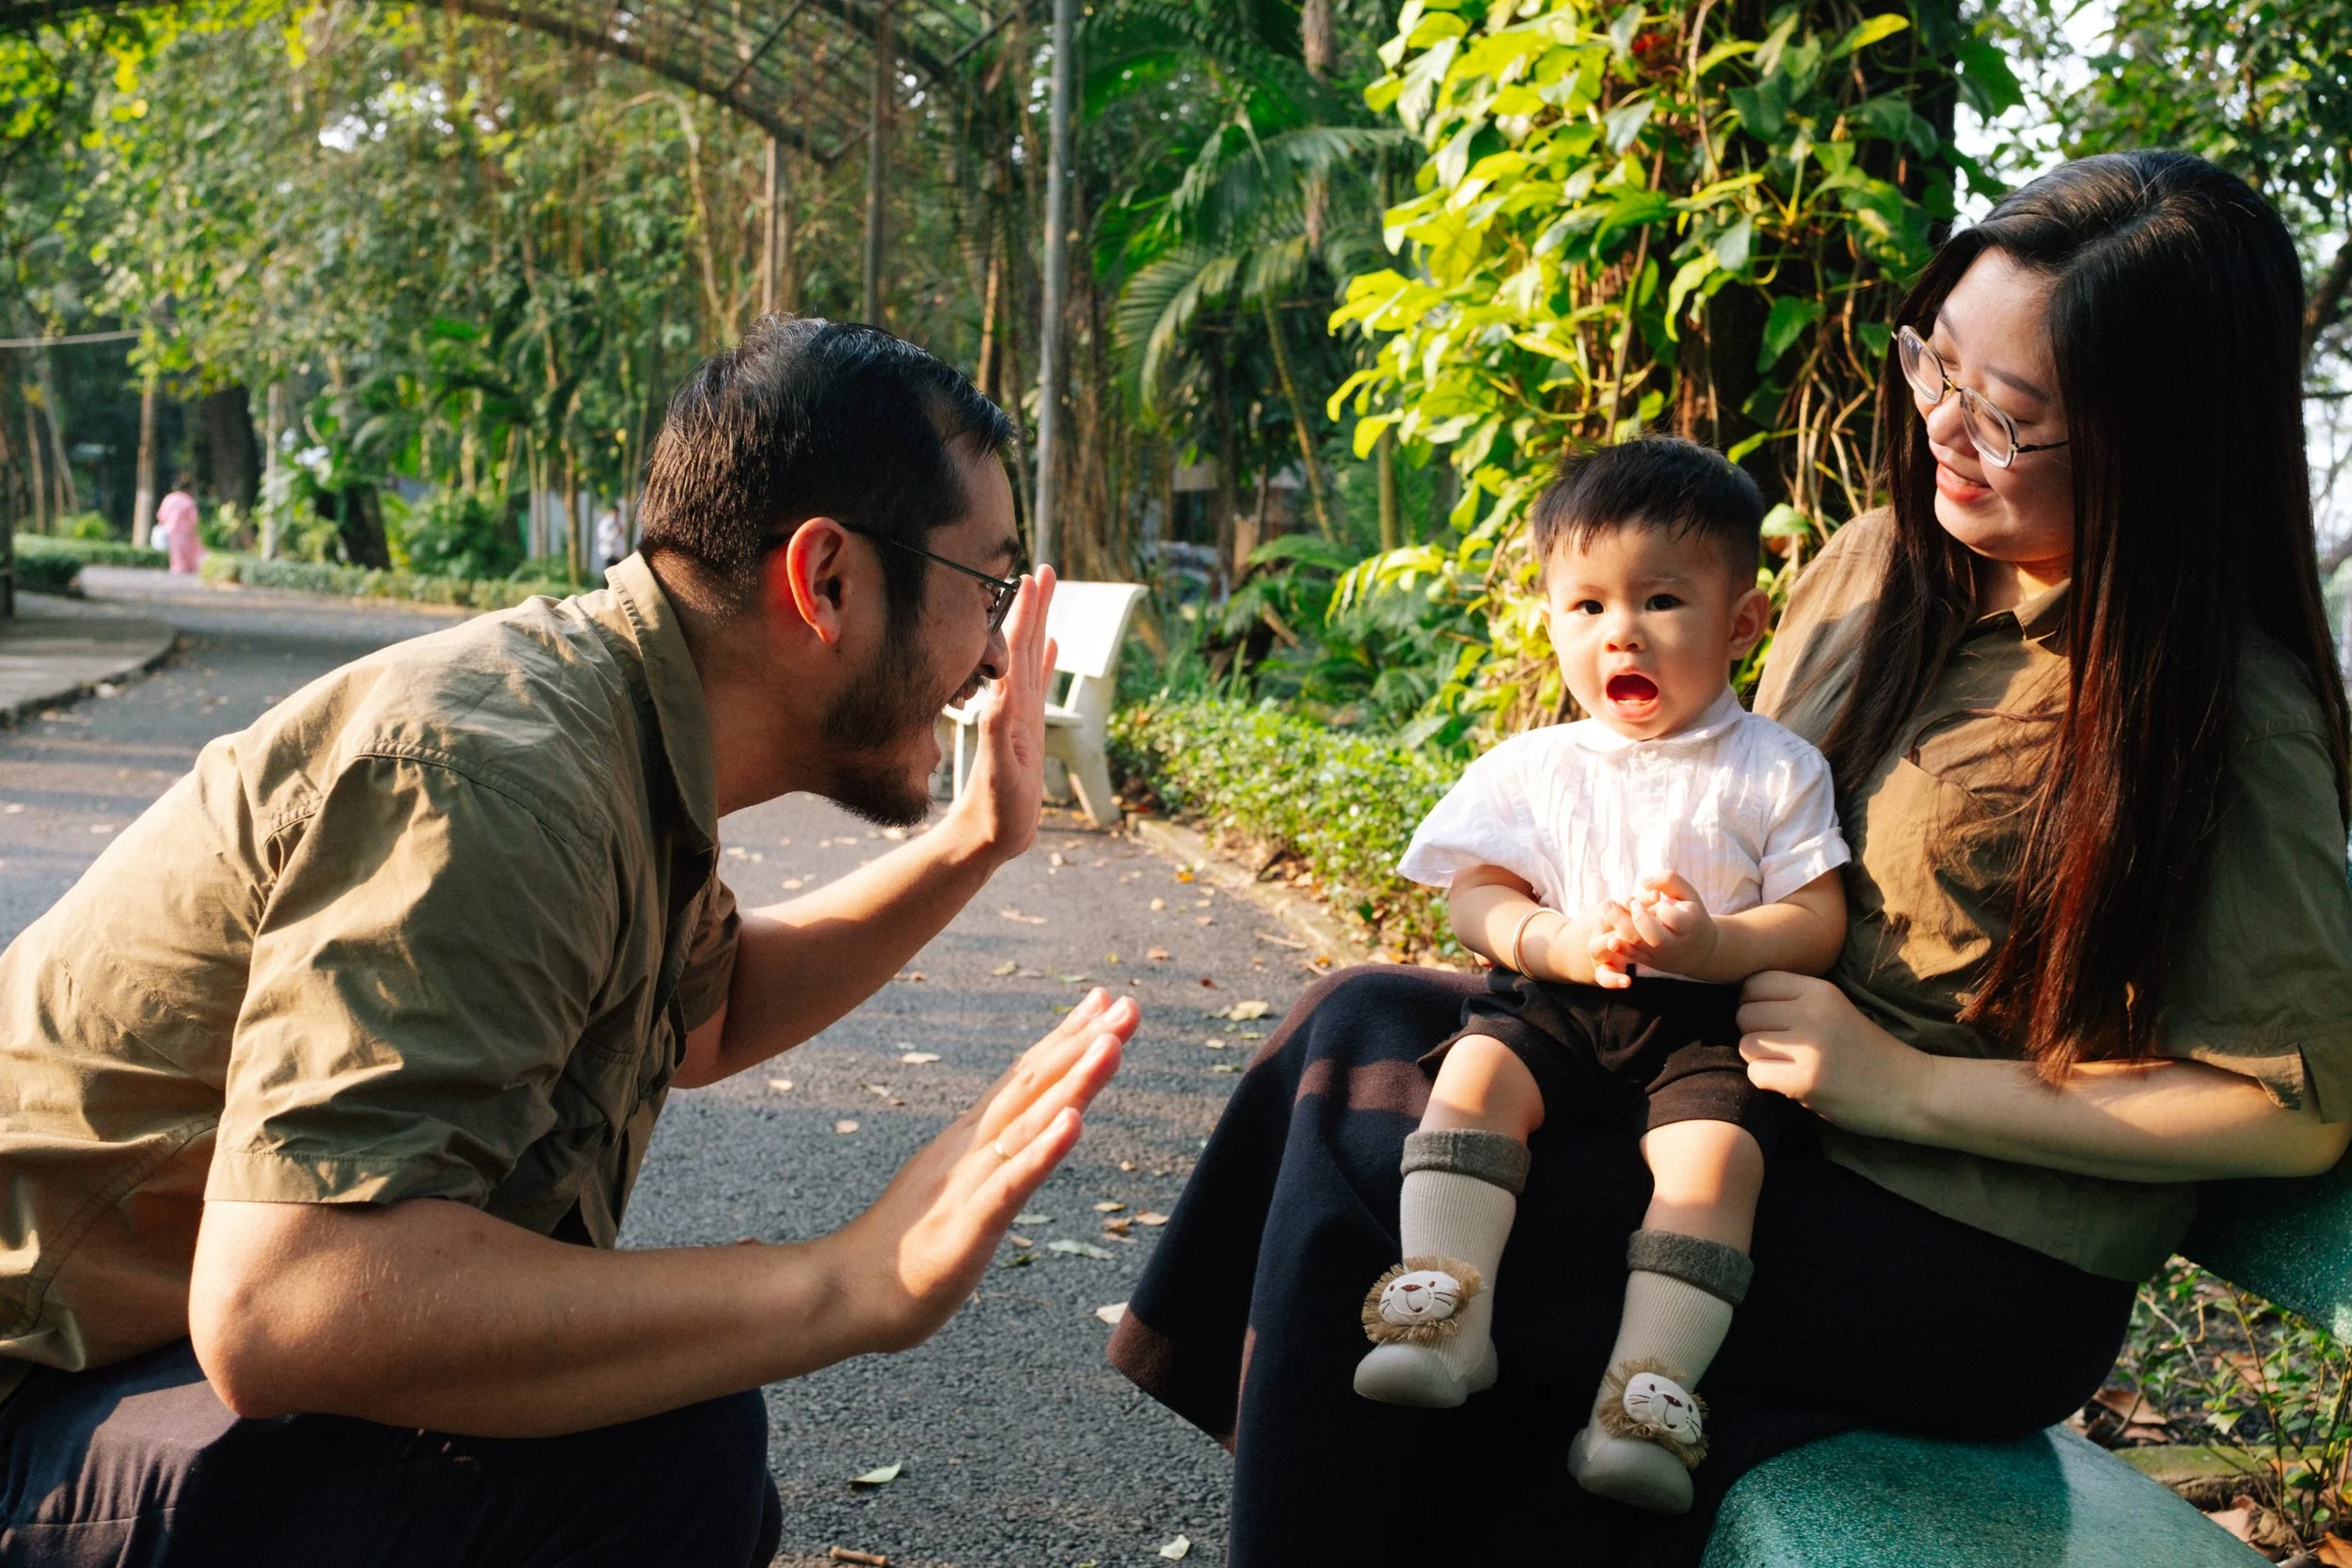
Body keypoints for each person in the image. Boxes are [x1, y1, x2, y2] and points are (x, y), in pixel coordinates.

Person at [1111, 150, 2352, 1566]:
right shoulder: (1881, 564)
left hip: (1962, 1249)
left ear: (2160, 442)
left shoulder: (2223, 709)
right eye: (1933, 364)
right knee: (1358, 1034)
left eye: (2005, 415)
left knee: (1374, 1175)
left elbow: (2285, 1108)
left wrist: (1910, 1087)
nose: (1943, 424)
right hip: (1732, 1102)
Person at [0, 318, 1136, 1566]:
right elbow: (286, 1300)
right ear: (827, 583)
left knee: (646, 1432)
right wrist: (845, 1280)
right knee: (656, 1456)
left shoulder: (619, 728)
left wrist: (975, 839)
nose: (990, 656)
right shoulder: (499, 774)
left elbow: (709, 1011)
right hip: (33, 1408)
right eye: (989, 586)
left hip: (131, 1370)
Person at [1351, 437, 1848, 1520]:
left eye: (1661, 598)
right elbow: (1469, 896)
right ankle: (1441, 1317)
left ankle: (1642, 1398)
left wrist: (1716, 944)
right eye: (1584, 607)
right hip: (1558, 1002)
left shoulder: (1773, 766)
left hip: (1706, 1024)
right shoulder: (1534, 766)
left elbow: (1817, 918)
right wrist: (1548, 939)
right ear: (1551, 623)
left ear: (1742, 622)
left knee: (1713, 1167)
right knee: (1475, 1076)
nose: (1618, 629)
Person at [155, 483, 202, 575]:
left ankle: (177, 567)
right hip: (185, 530)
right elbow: (193, 519)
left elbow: (161, 515)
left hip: (170, 529)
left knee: (175, 550)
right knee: (187, 549)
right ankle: (187, 567)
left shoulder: (169, 498)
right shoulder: (188, 500)